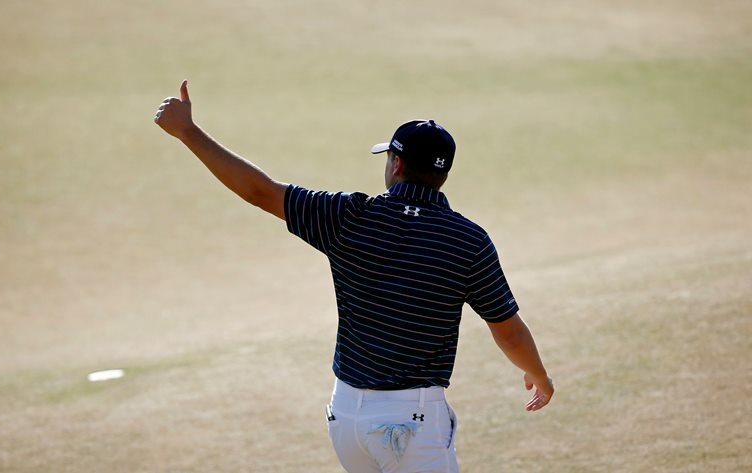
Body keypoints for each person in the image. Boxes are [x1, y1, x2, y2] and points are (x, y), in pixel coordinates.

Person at [154, 80, 554, 473]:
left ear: (396, 164)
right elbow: (508, 332)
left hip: (346, 419)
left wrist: (187, 131)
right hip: (412, 424)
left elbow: (259, 191)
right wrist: (539, 375)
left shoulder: (347, 216)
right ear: (443, 175)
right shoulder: (468, 240)